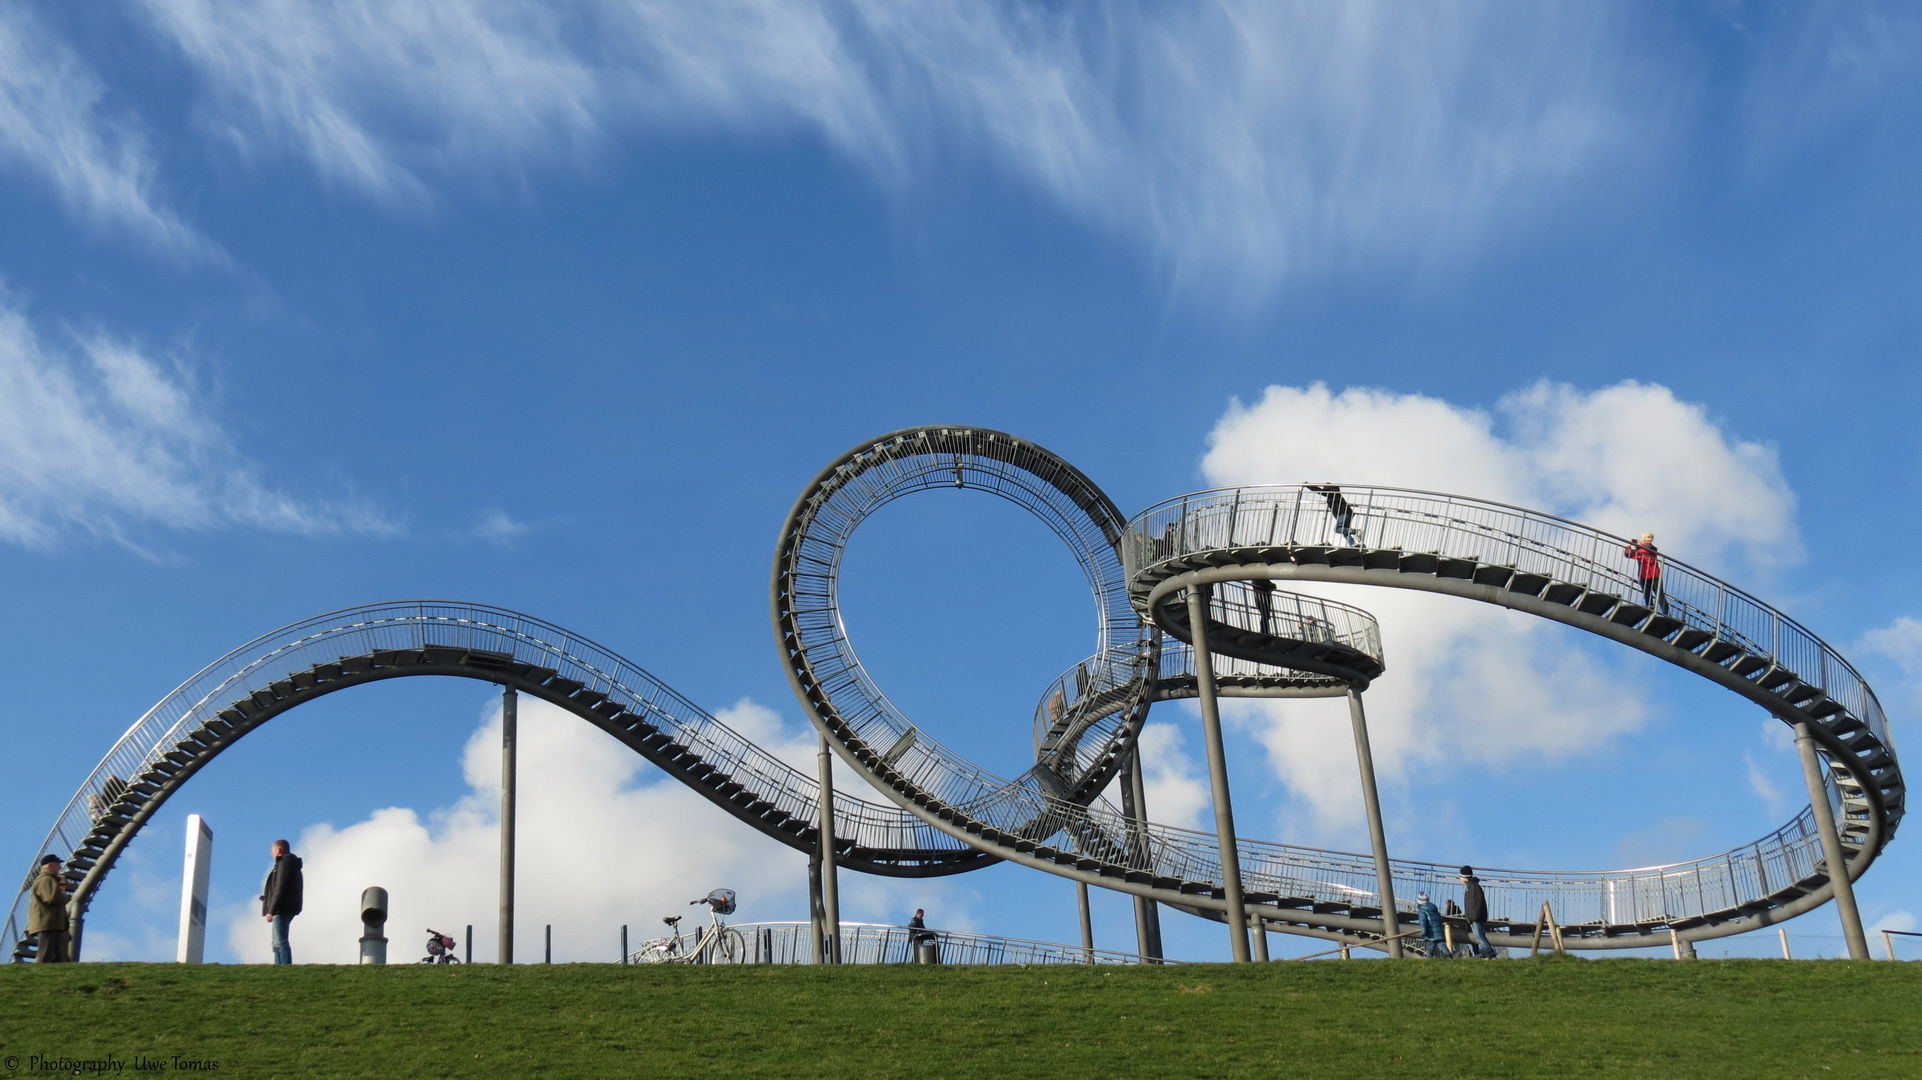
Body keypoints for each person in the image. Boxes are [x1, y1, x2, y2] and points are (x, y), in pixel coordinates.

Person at [260, 839, 303, 965]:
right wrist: (267, 899)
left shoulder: (285, 864)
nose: (271, 853)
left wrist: (271, 910)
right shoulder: (286, 864)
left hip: (282, 907)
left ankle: (284, 967)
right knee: (276, 943)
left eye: (272, 850)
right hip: (284, 906)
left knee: (280, 941)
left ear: (278, 851)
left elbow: (280, 887)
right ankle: (278, 967)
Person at [27, 854, 70, 963]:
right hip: (47, 922)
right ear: (50, 865)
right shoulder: (46, 879)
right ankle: (37, 977)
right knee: (45, 954)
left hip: (50, 922)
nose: (60, 867)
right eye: (58, 864)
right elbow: (51, 898)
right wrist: (66, 898)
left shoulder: (48, 879)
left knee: (56, 956)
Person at [1624, 533, 1667, 615]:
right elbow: (1647, 548)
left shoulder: (1642, 550)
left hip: (1644, 575)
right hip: (1655, 575)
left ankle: (1650, 613)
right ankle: (1667, 614)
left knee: (1648, 596)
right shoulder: (1652, 548)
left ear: (1644, 539)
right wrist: (1638, 545)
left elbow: (1627, 554)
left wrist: (1630, 545)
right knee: (1660, 595)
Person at [1459, 866, 1496, 959]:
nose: (1460, 878)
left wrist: (1472, 917)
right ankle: (1485, 953)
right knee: (1479, 937)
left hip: (1475, 917)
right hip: (1474, 916)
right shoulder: (1471, 886)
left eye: (1460, 876)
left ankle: (1488, 952)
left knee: (1479, 936)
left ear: (1465, 877)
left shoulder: (1473, 887)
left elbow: (1475, 904)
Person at [1416, 892, 1447, 958]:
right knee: (1442, 945)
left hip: (1430, 934)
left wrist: (1424, 933)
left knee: (1429, 949)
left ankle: (1429, 961)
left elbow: (1423, 923)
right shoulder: (1435, 910)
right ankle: (1448, 954)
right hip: (1439, 932)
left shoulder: (1422, 911)